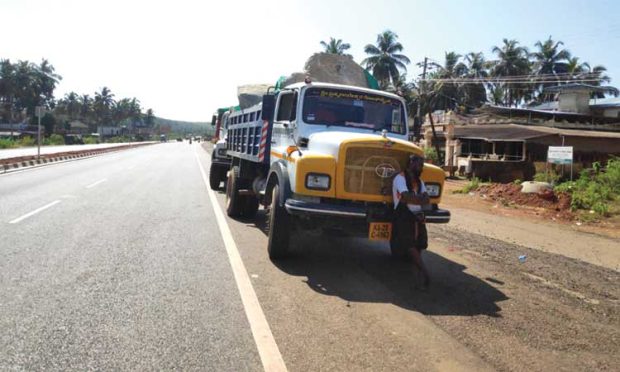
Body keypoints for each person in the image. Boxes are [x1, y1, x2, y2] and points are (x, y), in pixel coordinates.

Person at [392, 153, 431, 288]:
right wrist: (417, 198)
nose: (421, 168)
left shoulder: (419, 182)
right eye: (419, 165)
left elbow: (427, 200)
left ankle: (417, 276)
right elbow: (406, 197)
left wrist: (412, 198)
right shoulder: (400, 178)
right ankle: (424, 271)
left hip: (418, 215)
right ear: (411, 164)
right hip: (403, 214)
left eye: (422, 165)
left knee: (420, 244)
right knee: (409, 244)